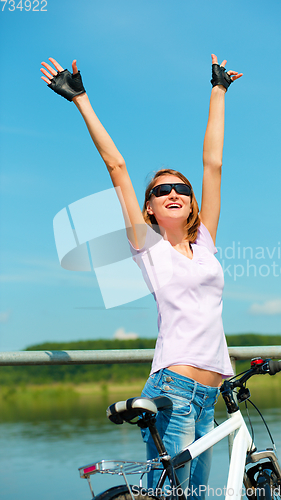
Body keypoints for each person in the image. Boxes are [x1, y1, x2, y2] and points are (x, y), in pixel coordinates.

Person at [41, 55, 242, 499]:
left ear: (191, 204)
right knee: (168, 496)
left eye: (181, 189)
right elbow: (116, 166)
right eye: (161, 190)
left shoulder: (204, 242)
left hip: (212, 392)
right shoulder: (146, 246)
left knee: (196, 496)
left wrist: (219, 90)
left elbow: (213, 164)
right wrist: (81, 99)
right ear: (149, 207)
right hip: (175, 388)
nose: (173, 193)